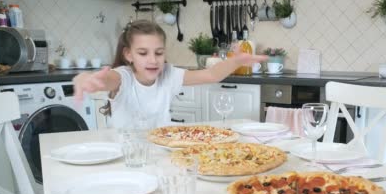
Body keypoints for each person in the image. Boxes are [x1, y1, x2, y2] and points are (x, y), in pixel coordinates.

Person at [73, 20, 267, 129]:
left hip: (161, 154)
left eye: (159, 52)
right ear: (128, 54)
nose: (153, 60)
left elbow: (211, 75)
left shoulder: (168, 74)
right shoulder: (123, 77)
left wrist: (236, 61)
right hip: (127, 158)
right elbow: (107, 80)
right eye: (143, 53)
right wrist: (88, 79)